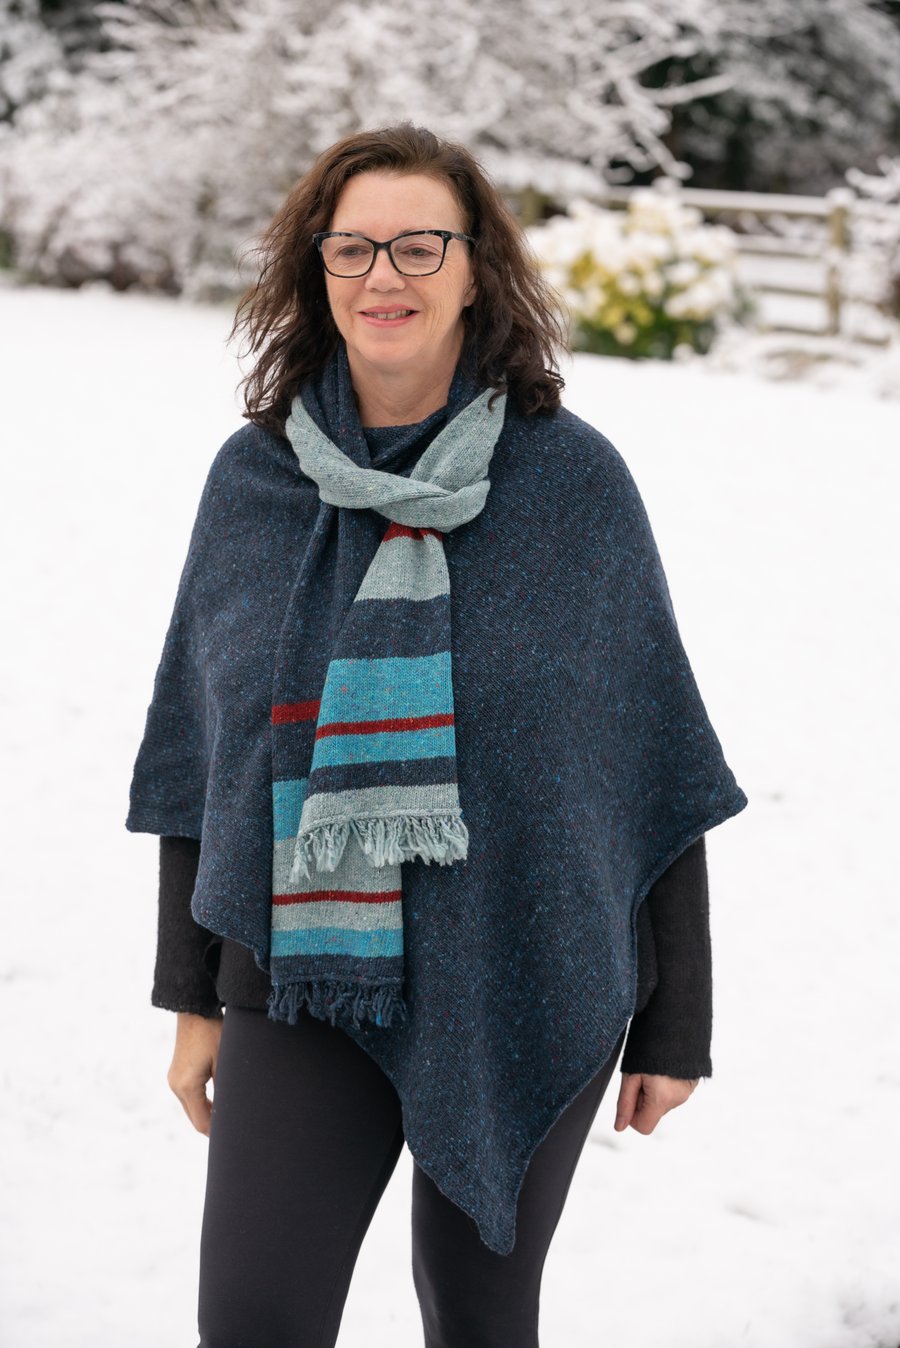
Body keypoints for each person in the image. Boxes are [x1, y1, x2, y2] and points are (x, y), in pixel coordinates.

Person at [127, 123, 746, 1348]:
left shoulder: (573, 485)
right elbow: (201, 763)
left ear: (475, 270)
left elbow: (650, 756)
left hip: (524, 959)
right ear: (316, 269)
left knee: (478, 1316)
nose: (384, 276)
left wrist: (679, 1022)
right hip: (302, 973)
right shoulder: (253, 485)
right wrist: (191, 994)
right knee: (253, 1319)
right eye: (352, 248)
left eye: (420, 246)